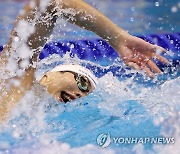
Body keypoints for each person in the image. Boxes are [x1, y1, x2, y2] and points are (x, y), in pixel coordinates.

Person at [0, 0, 169, 121]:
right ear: (48, 75)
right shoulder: (14, 80)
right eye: (82, 83)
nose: (81, 94)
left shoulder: (40, 127)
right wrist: (118, 38)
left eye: (86, 95)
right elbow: (49, 3)